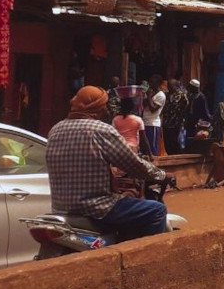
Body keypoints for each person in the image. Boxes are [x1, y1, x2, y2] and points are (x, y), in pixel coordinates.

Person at [47, 86, 170, 241]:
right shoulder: (101, 130)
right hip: (97, 207)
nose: (106, 109)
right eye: (104, 105)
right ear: (95, 108)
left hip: (62, 208)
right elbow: (132, 164)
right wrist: (162, 175)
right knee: (157, 210)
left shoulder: (55, 130)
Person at [161, 79, 190, 154]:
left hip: (176, 124)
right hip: (167, 123)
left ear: (176, 86)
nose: (169, 88)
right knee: (167, 143)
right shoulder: (167, 95)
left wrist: (183, 123)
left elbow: (186, 110)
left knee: (176, 143)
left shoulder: (182, 95)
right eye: (168, 86)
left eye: (171, 86)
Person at [142, 76, 166, 157]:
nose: (150, 84)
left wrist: (149, 96)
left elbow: (153, 109)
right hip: (145, 123)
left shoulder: (161, 95)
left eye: (152, 82)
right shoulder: (151, 93)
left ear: (158, 84)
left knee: (152, 150)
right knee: (144, 150)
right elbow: (144, 105)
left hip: (153, 125)